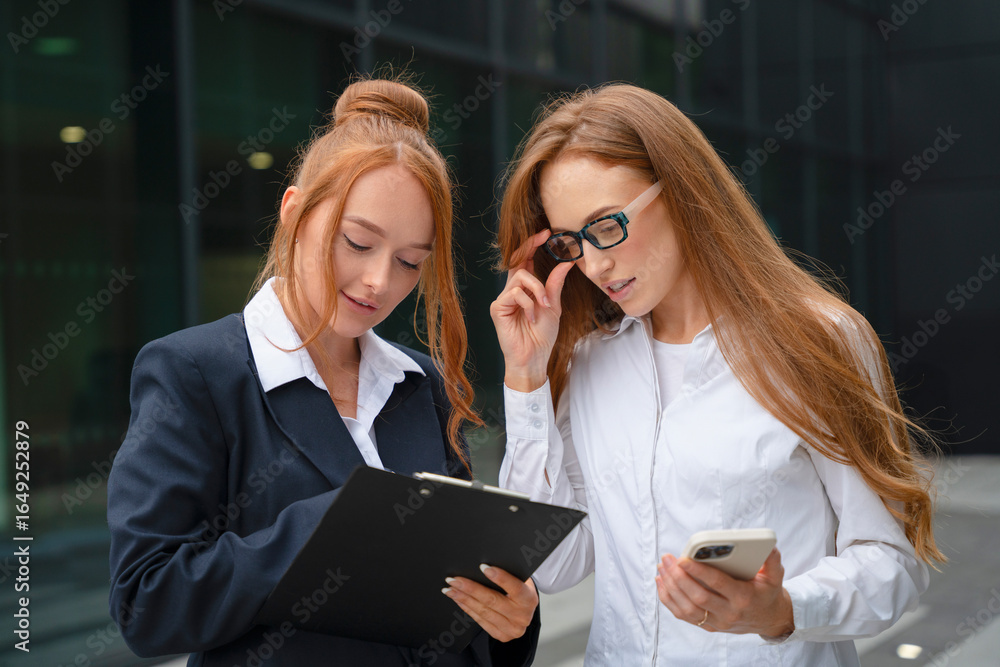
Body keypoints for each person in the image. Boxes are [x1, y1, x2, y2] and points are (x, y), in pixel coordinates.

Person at [490, 83, 943, 665]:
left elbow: (891, 559)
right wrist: (526, 378)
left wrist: (782, 609)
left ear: (679, 192)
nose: (595, 263)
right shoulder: (589, 360)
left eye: (607, 226)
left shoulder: (816, 341)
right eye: (573, 242)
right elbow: (552, 564)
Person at [107, 76, 539, 666]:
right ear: (293, 212)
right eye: (357, 242)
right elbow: (147, 605)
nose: (380, 282)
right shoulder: (195, 373)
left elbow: (457, 606)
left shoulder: (420, 383)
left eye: (411, 262)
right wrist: (334, 525)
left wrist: (510, 620)